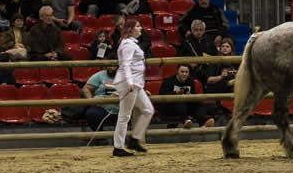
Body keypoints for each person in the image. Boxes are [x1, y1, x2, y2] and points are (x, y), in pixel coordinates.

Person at [111, 18, 154, 156]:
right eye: (138, 26)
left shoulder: (131, 43)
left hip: (136, 83)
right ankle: (118, 147)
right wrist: (129, 82)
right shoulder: (128, 44)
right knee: (125, 115)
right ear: (131, 29)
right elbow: (126, 65)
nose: (141, 28)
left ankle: (134, 139)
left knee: (148, 110)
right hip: (129, 83)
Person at [158, 63, 212, 129]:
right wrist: (175, 93)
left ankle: (203, 122)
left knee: (199, 104)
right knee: (180, 101)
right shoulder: (169, 81)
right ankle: (186, 121)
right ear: (177, 72)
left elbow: (193, 94)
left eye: (186, 72)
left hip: (186, 106)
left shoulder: (190, 81)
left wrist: (190, 95)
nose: (184, 74)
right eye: (182, 72)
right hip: (170, 107)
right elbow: (162, 95)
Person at [77, 62, 118, 130]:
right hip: (102, 106)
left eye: (114, 66)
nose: (111, 68)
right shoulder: (99, 75)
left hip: (121, 106)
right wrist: (90, 100)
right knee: (92, 113)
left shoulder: (125, 76)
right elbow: (86, 89)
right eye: (109, 65)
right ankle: (100, 137)